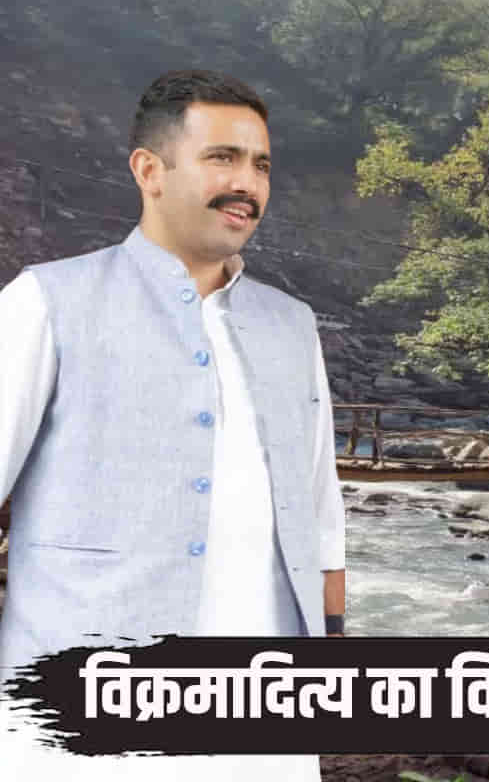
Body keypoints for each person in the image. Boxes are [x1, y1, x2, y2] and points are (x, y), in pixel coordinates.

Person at [0, 70, 345, 780]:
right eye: (222, 157)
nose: (246, 182)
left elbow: (319, 509)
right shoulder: (46, 303)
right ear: (149, 170)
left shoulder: (291, 325)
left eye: (260, 164)